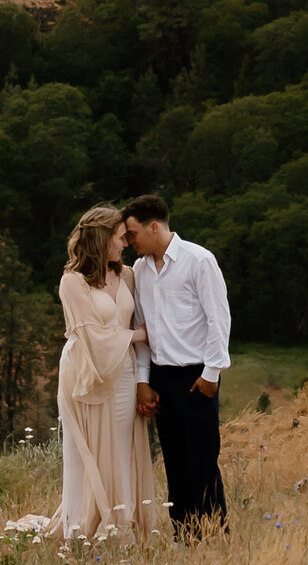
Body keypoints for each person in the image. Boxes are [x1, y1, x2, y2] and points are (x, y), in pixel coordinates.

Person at [53, 204, 162, 542]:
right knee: (83, 457)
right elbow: (91, 337)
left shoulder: (127, 275)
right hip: (86, 374)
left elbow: (129, 320)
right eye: (119, 237)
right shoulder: (72, 282)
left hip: (124, 374)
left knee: (123, 449)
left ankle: (123, 526)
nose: (125, 243)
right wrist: (139, 334)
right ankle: (81, 528)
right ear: (101, 239)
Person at [122, 193, 230, 535]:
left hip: (197, 376)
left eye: (133, 233)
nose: (129, 241)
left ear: (154, 227)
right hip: (160, 378)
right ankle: (185, 536)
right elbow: (140, 326)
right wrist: (143, 379)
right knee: (174, 463)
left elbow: (219, 319)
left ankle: (215, 535)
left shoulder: (199, 260)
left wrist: (211, 373)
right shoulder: (140, 270)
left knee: (203, 461)